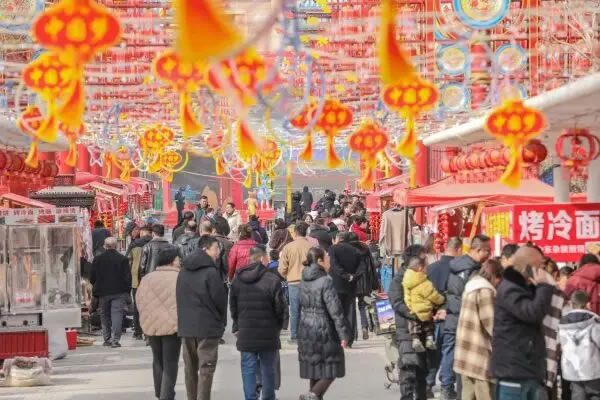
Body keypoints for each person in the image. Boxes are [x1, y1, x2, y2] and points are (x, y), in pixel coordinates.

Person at [490, 246, 556, 400]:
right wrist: (543, 286)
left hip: (527, 368)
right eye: (539, 267)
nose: (543, 272)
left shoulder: (525, 288)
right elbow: (532, 313)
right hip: (514, 371)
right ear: (527, 268)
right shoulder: (510, 289)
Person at [230, 246, 288, 400]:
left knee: (248, 368)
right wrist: (278, 326)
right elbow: (280, 307)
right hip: (268, 331)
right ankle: (268, 397)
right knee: (268, 368)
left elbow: (233, 306)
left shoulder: (238, 279)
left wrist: (237, 325)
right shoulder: (272, 279)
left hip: (246, 331)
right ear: (262, 258)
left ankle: (250, 397)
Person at [177, 235, 227, 400]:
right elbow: (220, 300)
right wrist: (220, 322)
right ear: (205, 249)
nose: (218, 253)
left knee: (190, 368)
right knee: (206, 368)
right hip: (207, 327)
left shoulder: (184, 271)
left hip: (187, 327)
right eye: (216, 249)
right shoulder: (211, 272)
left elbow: (179, 297)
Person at [441, 234, 491, 400]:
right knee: (467, 363)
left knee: (454, 356)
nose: (489, 254)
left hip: (453, 316)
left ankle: (448, 389)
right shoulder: (472, 270)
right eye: (487, 251)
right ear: (478, 250)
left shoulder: (457, 266)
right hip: (466, 320)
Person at [297, 247, 350, 400]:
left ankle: (312, 395)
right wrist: (343, 334)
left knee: (315, 368)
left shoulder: (303, 279)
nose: (329, 260)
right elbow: (335, 311)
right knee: (332, 366)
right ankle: (312, 394)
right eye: (327, 258)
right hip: (324, 328)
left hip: (306, 326)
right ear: (320, 261)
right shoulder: (326, 281)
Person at [136, 246, 182, 400]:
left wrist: (145, 318)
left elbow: (139, 300)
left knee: (157, 359)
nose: (179, 261)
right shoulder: (179, 277)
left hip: (152, 325)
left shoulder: (147, 278)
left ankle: (160, 393)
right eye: (178, 258)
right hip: (173, 326)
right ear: (172, 260)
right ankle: (166, 396)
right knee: (170, 362)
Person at [454, 259, 503, 400]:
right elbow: (490, 322)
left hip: (465, 350)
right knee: (484, 393)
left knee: (468, 393)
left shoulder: (471, 286)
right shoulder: (485, 290)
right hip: (479, 352)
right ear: (495, 276)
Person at [388, 244, 430, 400]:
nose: (426, 261)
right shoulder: (400, 279)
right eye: (423, 258)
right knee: (408, 369)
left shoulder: (423, 276)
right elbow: (396, 301)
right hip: (407, 331)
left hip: (423, 330)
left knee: (422, 371)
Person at [425, 237, 462, 395]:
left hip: (432, 316)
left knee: (433, 351)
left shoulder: (431, 268)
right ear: (459, 249)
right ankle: (447, 387)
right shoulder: (459, 270)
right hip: (450, 314)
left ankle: (427, 384)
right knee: (448, 351)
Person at [90, 237, 131, 348]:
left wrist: (96, 285)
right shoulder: (123, 259)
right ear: (116, 246)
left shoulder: (97, 259)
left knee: (104, 314)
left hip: (103, 292)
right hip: (119, 291)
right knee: (117, 314)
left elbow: (92, 277)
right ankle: (115, 340)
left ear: (105, 246)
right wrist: (127, 291)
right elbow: (127, 278)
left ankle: (107, 338)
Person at [559, 291, 600, 400]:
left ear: (572, 304)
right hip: (592, 368)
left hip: (572, 368)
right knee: (595, 394)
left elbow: (561, 343)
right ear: (587, 304)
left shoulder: (563, 322)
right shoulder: (593, 320)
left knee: (578, 394)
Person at [278, 222, 312, 343]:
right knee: (308, 310)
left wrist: (287, 275)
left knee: (294, 311)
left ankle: (295, 335)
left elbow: (282, 269)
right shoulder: (311, 247)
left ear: (295, 232)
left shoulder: (288, 247)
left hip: (293, 282)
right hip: (309, 282)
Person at [403, 256, 445, 352]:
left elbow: (406, 295)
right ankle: (429, 339)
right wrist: (442, 300)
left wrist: (409, 307)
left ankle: (415, 339)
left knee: (414, 325)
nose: (427, 269)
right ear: (420, 268)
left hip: (413, 310)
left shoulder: (407, 280)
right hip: (425, 310)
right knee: (429, 325)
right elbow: (433, 295)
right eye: (426, 267)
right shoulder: (424, 282)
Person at [328, 232, 361, 346]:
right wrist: (353, 276)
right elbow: (361, 267)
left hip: (337, 284)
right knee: (350, 312)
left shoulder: (333, 249)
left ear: (338, 238)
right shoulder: (355, 250)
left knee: (337, 312)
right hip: (351, 285)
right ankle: (349, 339)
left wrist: (345, 275)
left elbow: (334, 265)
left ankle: (339, 337)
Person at [127, 225, 152, 340]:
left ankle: (137, 331)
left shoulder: (134, 244)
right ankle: (148, 332)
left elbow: (128, 261)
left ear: (142, 233)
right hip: (150, 280)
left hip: (136, 280)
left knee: (137, 306)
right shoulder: (154, 244)